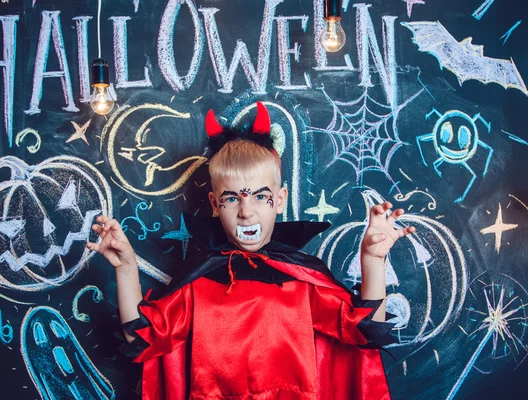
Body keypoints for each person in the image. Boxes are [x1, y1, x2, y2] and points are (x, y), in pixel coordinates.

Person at [87, 103, 415, 400]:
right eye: (232, 198)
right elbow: (142, 339)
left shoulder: (304, 281)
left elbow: (365, 329)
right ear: (215, 204)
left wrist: (373, 260)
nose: (246, 212)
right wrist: (126, 269)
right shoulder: (197, 284)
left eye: (260, 196)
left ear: (281, 199)